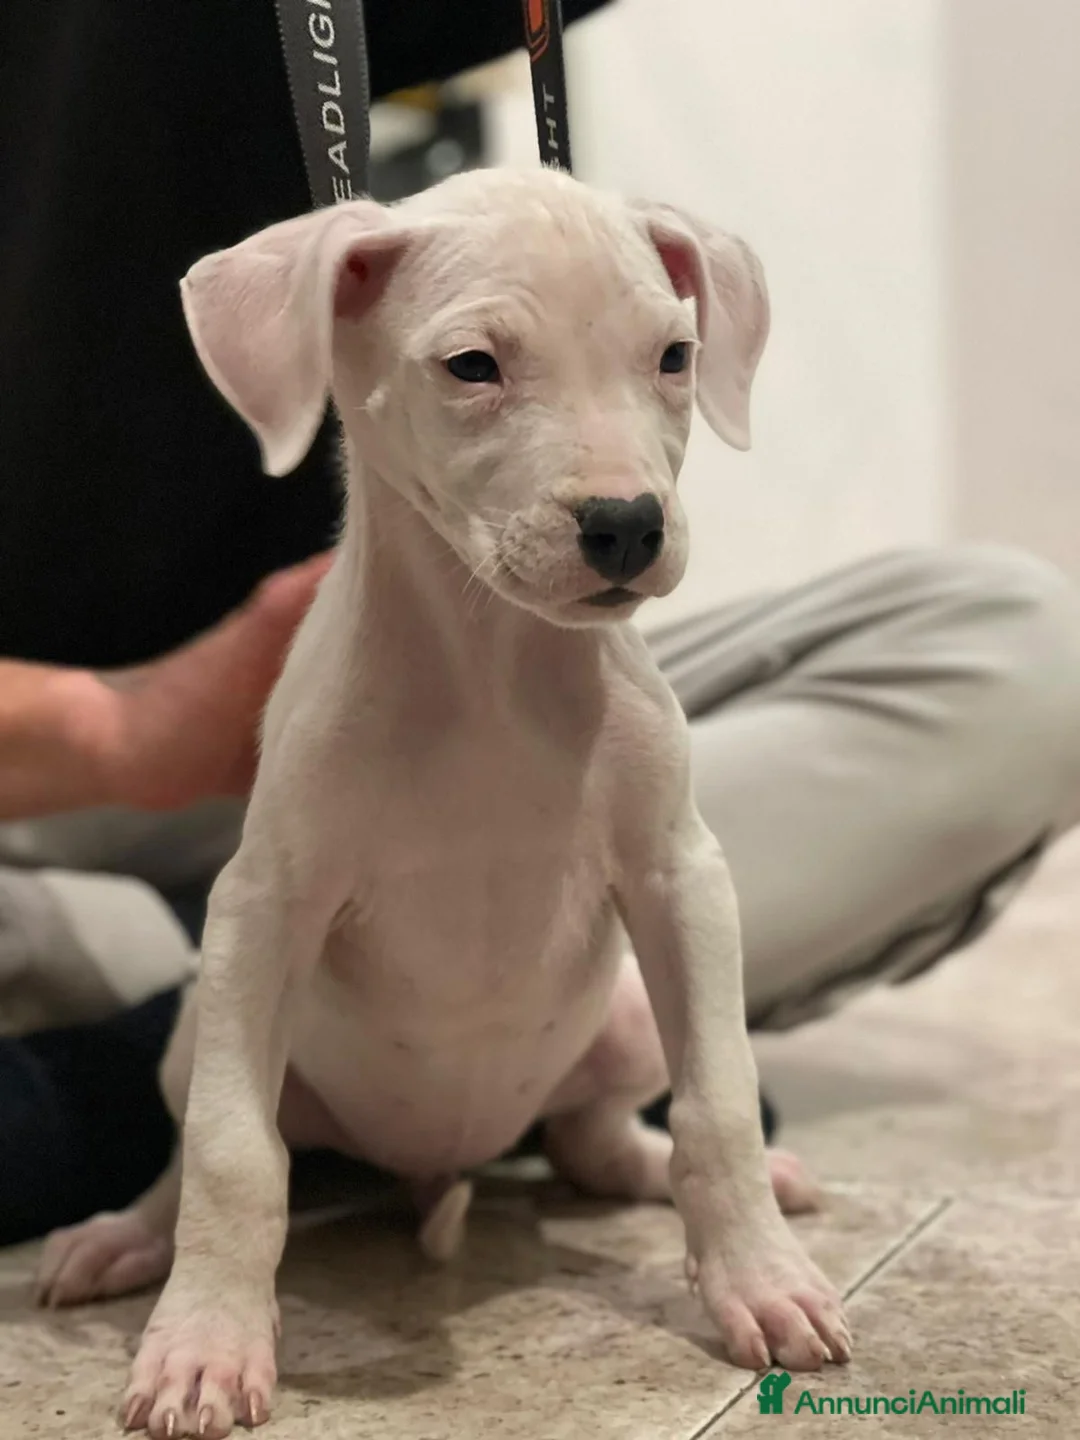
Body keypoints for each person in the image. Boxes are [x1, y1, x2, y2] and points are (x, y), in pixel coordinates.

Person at [4, 1, 1080, 1248]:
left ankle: (430, 1013)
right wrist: (110, 726)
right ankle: (262, 1013)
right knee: (249, 911)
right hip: (62, 798)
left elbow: (680, 864)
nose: (626, 488)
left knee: (1017, 643)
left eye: (669, 362)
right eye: (475, 369)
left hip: (508, 652)